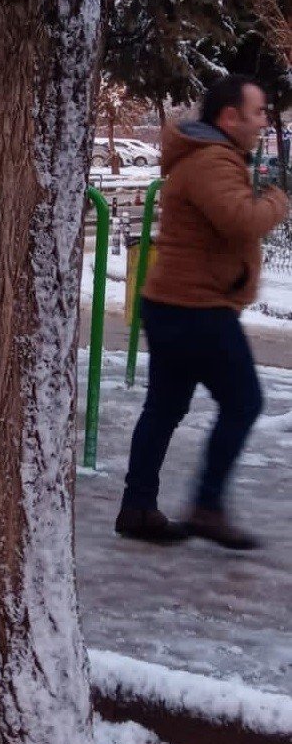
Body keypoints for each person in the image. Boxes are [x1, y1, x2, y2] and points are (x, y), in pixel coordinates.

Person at [116, 75, 288, 549]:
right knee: (244, 402)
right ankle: (207, 506)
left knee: (165, 407)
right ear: (228, 117)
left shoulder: (209, 157)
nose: (261, 123)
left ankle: (138, 507)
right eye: (256, 113)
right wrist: (277, 198)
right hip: (197, 308)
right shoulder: (213, 161)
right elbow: (241, 221)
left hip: (177, 302)